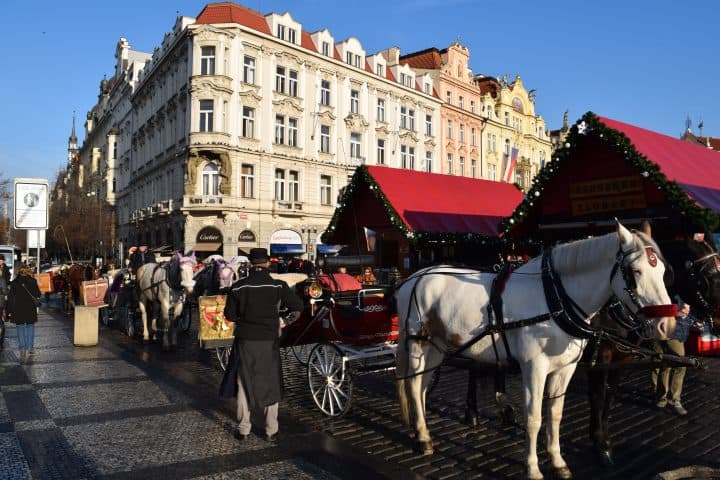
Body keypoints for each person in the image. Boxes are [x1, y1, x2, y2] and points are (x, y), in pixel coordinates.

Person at [219, 247, 303, 442]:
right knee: (270, 383)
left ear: (250, 264)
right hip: (269, 340)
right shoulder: (278, 286)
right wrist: (285, 321)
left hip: (245, 340)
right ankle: (271, 430)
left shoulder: (238, 287)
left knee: (244, 383)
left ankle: (243, 429)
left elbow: (229, 315)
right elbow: (298, 307)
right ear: (267, 264)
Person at [652, 295, 695, 416]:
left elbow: (687, 313)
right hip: (672, 332)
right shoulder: (673, 289)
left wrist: (692, 321)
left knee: (666, 365)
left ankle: (661, 399)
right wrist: (677, 313)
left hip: (679, 332)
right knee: (681, 365)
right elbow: (657, 309)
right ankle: (674, 400)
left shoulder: (687, 292)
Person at [5, 265, 41, 362]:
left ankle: (22, 350)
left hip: (18, 309)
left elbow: (10, 298)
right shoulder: (33, 281)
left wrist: (9, 311)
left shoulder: (15, 283)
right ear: (28, 271)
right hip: (30, 308)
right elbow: (38, 294)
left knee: (20, 328)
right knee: (30, 327)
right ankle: (30, 347)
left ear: (19, 272)